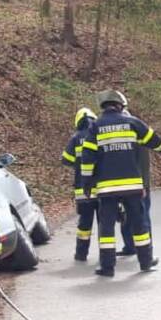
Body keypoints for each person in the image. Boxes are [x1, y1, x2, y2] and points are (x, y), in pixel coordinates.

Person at [80, 89, 161, 277]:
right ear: (120, 106)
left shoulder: (95, 127)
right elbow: (153, 140)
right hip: (132, 187)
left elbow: (87, 158)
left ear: (103, 107)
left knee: (107, 228)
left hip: (107, 188)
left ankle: (107, 267)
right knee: (139, 224)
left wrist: (87, 183)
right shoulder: (132, 122)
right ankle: (145, 262)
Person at [63, 106, 97, 262]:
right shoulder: (100, 134)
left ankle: (81, 254)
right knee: (105, 223)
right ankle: (106, 254)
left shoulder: (75, 138)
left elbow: (66, 159)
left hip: (82, 189)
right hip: (102, 188)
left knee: (84, 223)